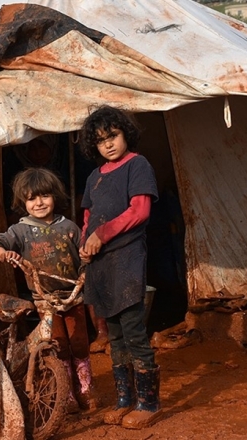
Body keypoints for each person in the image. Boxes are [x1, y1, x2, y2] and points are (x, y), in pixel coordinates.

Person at [78, 106, 161, 429]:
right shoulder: (94, 177)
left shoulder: (138, 165)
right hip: (101, 265)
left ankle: (149, 402)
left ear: (126, 133)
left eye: (113, 136)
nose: (108, 144)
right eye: (100, 141)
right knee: (113, 334)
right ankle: (125, 399)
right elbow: (87, 217)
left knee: (134, 331)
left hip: (126, 259)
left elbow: (139, 211)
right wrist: (86, 243)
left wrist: (103, 234)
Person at [0, 167, 97, 411]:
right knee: (57, 344)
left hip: (73, 296)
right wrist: (3, 253)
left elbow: (84, 252)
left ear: (54, 196)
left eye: (44, 196)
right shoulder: (20, 230)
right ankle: (65, 393)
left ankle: (86, 388)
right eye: (31, 198)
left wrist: (86, 258)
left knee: (79, 342)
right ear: (22, 202)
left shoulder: (68, 226)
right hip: (44, 299)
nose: (39, 203)